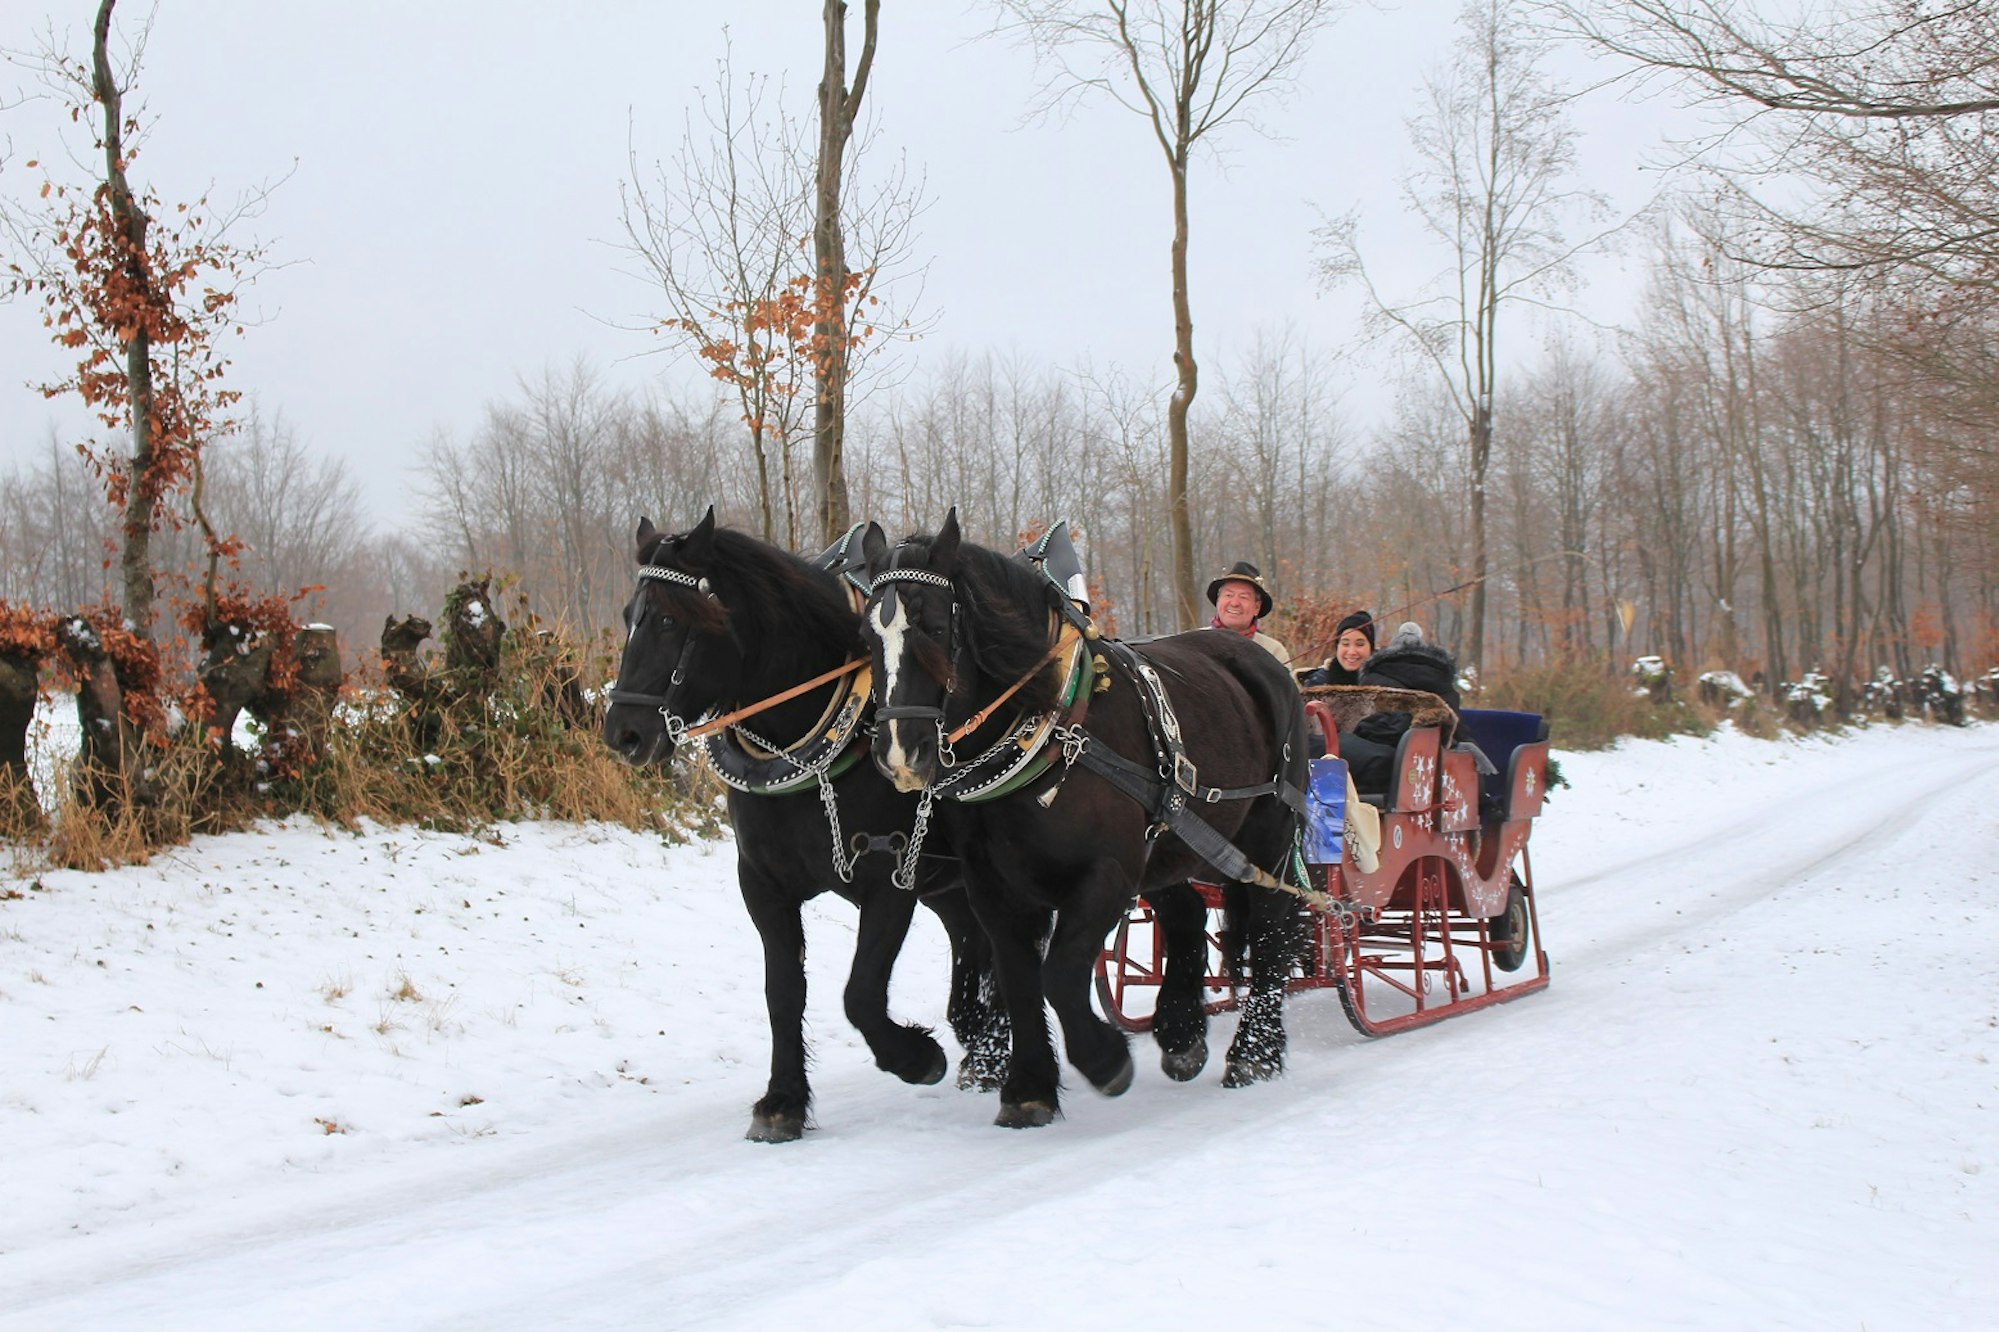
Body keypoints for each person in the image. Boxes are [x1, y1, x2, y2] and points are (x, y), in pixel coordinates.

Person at [1206, 561, 1291, 668]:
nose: (1234, 603)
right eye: (1228, 595)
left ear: (1257, 607)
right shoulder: (1193, 643)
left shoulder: (1273, 652)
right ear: (1218, 601)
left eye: (1243, 597)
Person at [1298, 610, 1375, 687]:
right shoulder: (1317, 682)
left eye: (1359, 644)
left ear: (1371, 648)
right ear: (1337, 646)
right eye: (1345, 644)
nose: (1352, 652)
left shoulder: (1383, 681)